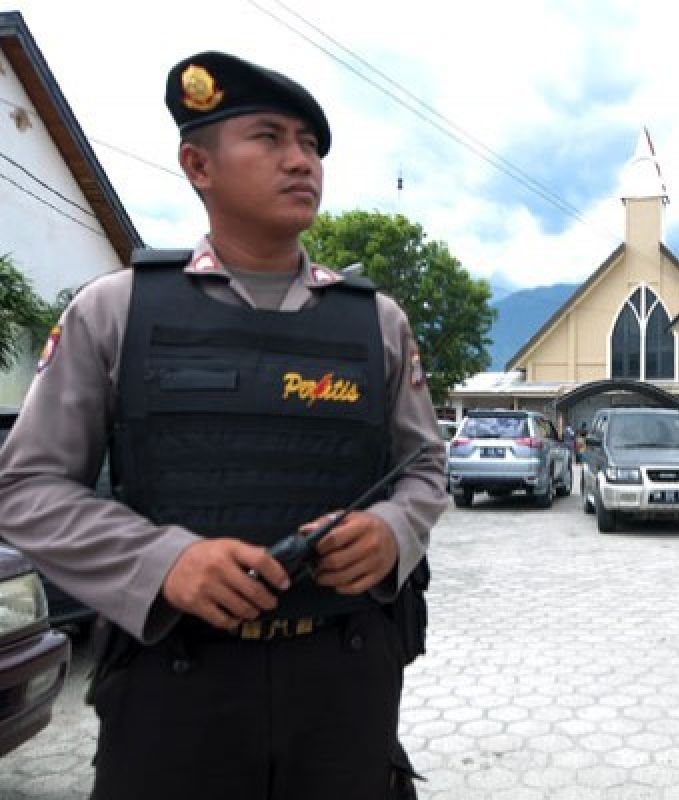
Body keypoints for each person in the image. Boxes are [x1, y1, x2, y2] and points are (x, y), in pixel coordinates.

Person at [0, 51, 449, 800]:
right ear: (197, 166)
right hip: (176, 686)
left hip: (344, 681)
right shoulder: (117, 311)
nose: (300, 161)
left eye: (310, 145)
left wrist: (394, 531)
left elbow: (426, 468)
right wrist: (162, 562)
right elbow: (26, 488)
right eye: (270, 138)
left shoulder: (377, 323)